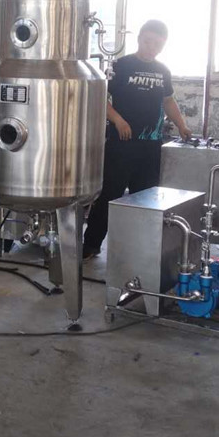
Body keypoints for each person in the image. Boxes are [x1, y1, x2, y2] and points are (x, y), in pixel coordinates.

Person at [83, 19, 191, 259]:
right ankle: (91, 244)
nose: (152, 48)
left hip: (151, 146)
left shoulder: (163, 71)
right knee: (110, 194)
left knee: (146, 199)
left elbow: (168, 101)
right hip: (121, 145)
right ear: (140, 39)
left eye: (158, 45)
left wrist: (182, 125)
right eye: (148, 42)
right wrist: (118, 120)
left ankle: (140, 251)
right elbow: (99, 97)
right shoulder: (121, 66)